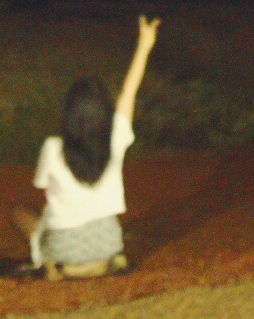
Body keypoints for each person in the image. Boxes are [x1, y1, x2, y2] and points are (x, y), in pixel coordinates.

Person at [12, 15, 160, 279]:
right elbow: (129, 93)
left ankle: (49, 264)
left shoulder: (53, 147)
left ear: (69, 113)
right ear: (105, 111)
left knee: (22, 214)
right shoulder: (114, 138)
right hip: (107, 245)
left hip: (63, 248)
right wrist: (145, 44)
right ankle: (107, 261)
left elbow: (43, 187)